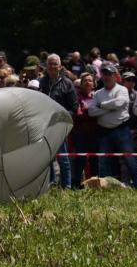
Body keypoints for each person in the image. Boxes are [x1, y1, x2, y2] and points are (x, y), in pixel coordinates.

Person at [89, 64, 137, 189]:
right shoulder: (98, 93)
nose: (107, 77)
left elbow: (119, 102)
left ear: (115, 76)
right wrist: (110, 109)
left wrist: (101, 106)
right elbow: (91, 111)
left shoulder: (122, 90)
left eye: (109, 74)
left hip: (122, 129)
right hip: (104, 131)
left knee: (129, 159)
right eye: (104, 74)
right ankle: (104, 187)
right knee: (103, 161)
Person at [39, 54, 77, 188]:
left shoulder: (67, 84)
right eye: (49, 63)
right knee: (46, 159)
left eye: (55, 64)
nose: (52, 66)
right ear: (46, 66)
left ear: (60, 67)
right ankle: (50, 184)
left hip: (60, 126)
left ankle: (66, 187)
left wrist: (60, 116)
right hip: (43, 127)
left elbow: (74, 108)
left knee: (63, 159)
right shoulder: (41, 83)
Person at [70, 73, 98, 184]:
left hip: (95, 133)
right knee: (80, 159)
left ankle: (94, 183)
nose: (87, 82)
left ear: (94, 84)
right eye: (85, 80)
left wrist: (88, 112)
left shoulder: (97, 96)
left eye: (90, 80)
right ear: (81, 84)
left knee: (94, 159)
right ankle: (77, 184)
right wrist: (92, 113)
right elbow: (78, 114)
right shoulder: (77, 97)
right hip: (80, 133)